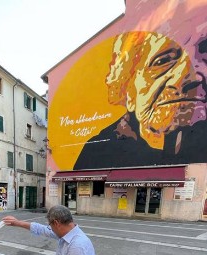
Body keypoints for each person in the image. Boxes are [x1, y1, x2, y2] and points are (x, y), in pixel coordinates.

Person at [74, 30, 207, 169]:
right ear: (127, 89)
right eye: (163, 61)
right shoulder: (97, 153)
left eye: (204, 58)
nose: (193, 77)